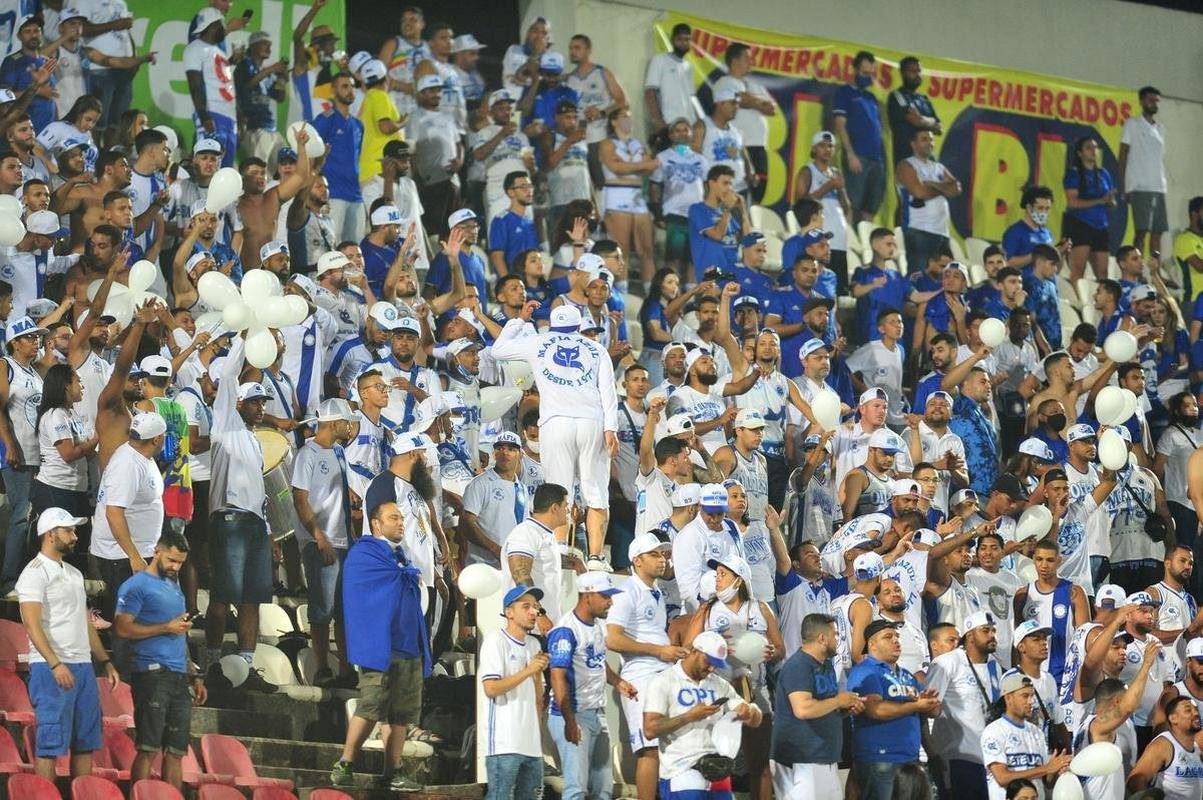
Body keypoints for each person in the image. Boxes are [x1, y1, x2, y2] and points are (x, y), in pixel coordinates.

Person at [491, 303, 618, 570]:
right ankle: (596, 557)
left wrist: (519, 320)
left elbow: (497, 350)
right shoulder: (596, 348)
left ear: (552, 325)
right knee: (595, 491)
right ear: (579, 326)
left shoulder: (538, 341)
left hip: (556, 423)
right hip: (592, 422)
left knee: (559, 489)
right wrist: (611, 429)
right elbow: (609, 392)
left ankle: (560, 550)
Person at [330, 501, 429, 793]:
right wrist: (404, 575)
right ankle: (345, 763)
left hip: (408, 643)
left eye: (401, 518)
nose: (400, 522)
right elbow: (365, 593)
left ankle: (393, 770)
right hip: (380, 645)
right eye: (393, 517)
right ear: (376, 524)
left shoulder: (402, 555)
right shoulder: (365, 552)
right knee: (371, 705)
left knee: (401, 713)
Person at [18, 507, 120, 781]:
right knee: (49, 745)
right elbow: (32, 624)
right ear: (50, 534)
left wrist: (105, 661)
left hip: (83, 665)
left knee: (86, 742)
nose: (75, 536)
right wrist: (55, 664)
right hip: (50, 668)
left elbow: (84, 622)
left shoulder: (74, 574)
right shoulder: (34, 573)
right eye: (69, 531)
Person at [204, 341, 275, 692]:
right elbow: (230, 374)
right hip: (229, 520)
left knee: (253, 599)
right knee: (222, 596)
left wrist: (269, 530)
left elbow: (259, 491)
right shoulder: (225, 424)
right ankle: (212, 662)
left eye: (263, 403)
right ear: (237, 404)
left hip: (255, 524)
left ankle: (246, 667)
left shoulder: (255, 441)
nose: (260, 408)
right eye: (255, 402)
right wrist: (246, 339)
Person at [115, 532, 206, 790]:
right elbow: (122, 628)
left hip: (178, 676)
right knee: (148, 747)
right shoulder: (136, 586)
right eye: (171, 560)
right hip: (151, 673)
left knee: (176, 751)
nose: (175, 567)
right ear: (157, 551)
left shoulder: (174, 587)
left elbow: (180, 633)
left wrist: (193, 674)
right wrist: (165, 627)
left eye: (180, 563)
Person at [643, 629, 763, 800]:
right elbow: (649, 729)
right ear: (694, 651)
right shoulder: (664, 681)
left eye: (716, 664)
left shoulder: (720, 684)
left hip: (718, 770)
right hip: (682, 771)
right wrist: (688, 716)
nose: (711, 668)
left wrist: (750, 712)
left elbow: (754, 718)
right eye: (708, 661)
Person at [607, 533, 683, 800]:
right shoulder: (626, 592)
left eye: (663, 554)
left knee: (667, 747)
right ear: (637, 560)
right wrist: (659, 650)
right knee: (649, 749)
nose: (662, 560)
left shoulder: (656, 592)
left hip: (662, 674)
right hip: (640, 676)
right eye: (654, 554)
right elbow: (612, 639)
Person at [548, 572, 636, 800]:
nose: (611, 602)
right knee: (576, 789)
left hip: (597, 713)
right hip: (573, 714)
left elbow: (597, 661)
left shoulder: (597, 625)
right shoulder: (566, 630)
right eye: (605, 596)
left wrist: (618, 682)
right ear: (587, 596)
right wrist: (570, 720)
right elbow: (557, 676)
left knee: (604, 788)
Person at [771, 613, 864, 798]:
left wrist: (845, 709)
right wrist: (838, 701)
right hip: (801, 759)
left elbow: (823, 706)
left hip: (824, 757)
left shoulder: (826, 665)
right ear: (822, 638)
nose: (838, 640)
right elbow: (803, 709)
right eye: (835, 635)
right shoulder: (798, 666)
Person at [847, 618, 941, 800]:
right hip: (879, 759)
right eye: (888, 637)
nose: (896, 640)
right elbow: (875, 710)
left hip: (911, 760)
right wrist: (915, 705)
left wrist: (930, 704)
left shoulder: (907, 676)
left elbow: (931, 713)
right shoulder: (865, 671)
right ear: (872, 644)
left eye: (897, 636)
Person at [89, 411, 165, 627]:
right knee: (130, 624)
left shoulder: (141, 456)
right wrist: (134, 557)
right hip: (121, 557)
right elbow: (113, 512)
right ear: (156, 439)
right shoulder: (128, 464)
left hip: (136, 552)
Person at [480, 585, 549, 800]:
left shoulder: (534, 644)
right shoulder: (496, 640)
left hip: (532, 746)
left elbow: (538, 698)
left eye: (535, 607)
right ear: (509, 612)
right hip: (505, 743)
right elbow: (491, 688)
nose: (533, 612)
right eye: (526, 607)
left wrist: (537, 672)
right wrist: (529, 670)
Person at [925, 611, 1002, 800]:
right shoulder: (946, 662)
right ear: (970, 636)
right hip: (958, 758)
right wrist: (932, 754)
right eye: (985, 630)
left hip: (991, 759)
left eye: (993, 630)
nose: (992, 635)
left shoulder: (995, 665)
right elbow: (925, 709)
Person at [980, 671, 1072, 800]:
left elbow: (1047, 783)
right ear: (1008, 698)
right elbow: (1002, 778)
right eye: (1025, 696)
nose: (1031, 701)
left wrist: (1056, 770)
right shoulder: (994, 731)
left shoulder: (1036, 732)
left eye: (1032, 696)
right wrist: (1047, 768)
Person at [896, 130, 961, 276]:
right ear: (913, 144)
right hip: (919, 230)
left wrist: (931, 184)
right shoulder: (906, 165)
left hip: (942, 232)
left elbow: (956, 189)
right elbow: (919, 193)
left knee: (943, 279)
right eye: (924, 139)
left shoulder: (939, 167)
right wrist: (944, 188)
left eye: (931, 140)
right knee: (919, 277)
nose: (930, 143)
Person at [832, 51, 885, 222]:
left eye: (871, 73)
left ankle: (866, 238)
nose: (867, 77)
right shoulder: (844, 92)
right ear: (854, 70)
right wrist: (850, 155)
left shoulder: (871, 97)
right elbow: (840, 125)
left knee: (871, 207)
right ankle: (847, 237)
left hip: (877, 159)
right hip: (858, 156)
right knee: (851, 204)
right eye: (864, 73)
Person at [183, 8, 237, 166]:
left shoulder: (219, 52)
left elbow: (223, 82)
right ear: (212, 25)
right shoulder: (194, 48)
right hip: (212, 113)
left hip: (229, 117)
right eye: (221, 24)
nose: (223, 28)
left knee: (225, 167)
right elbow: (195, 84)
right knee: (207, 165)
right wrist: (203, 115)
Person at [1118, 86, 1167, 258]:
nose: (1154, 104)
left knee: (1158, 231)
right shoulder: (1132, 124)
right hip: (1140, 186)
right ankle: (1135, 266)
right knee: (1141, 231)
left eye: (1157, 101)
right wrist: (1124, 186)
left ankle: (1155, 268)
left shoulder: (1161, 128)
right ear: (1141, 101)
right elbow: (1123, 154)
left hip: (1159, 186)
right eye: (1150, 100)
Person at [1126, 694, 1203, 799]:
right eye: (1188, 710)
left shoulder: (1196, 749)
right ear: (1173, 718)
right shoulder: (1164, 744)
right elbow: (1135, 780)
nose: (1196, 713)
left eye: (1196, 710)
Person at [1064, 136, 1118, 280]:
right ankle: (1077, 295)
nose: (1093, 151)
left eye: (1095, 148)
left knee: (1103, 272)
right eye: (1088, 148)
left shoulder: (1103, 173)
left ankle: (1102, 295)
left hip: (1101, 226)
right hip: (1080, 224)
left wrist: (1110, 201)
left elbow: (1111, 203)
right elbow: (1072, 202)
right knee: (1078, 269)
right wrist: (1100, 200)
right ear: (1080, 153)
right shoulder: (1074, 174)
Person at [234, 30, 287, 166]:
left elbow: (280, 97)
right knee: (258, 168)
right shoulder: (244, 65)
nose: (269, 48)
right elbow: (248, 84)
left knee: (285, 163)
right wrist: (271, 69)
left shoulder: (267, 74)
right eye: (265, 44)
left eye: (270, 45)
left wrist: (282, 79)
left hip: (270, 127)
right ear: (253, 46)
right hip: (253, 127)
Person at [688, 164, 746, 283]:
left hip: (732, 276)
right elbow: (717, 235)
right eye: (725, 183)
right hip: (711, 279)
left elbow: (748, 241)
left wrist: (743, 210)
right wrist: (727, 209)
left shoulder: (729, 214)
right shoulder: (697, 210)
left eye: (730, 184)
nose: (729, 188)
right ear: (711, 183)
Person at [643, 22, 697, 144]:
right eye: (680, 39)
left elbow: (692, 98)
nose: (683, 43)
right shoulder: (660, 60)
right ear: (672, 40)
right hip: (669, 125)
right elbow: (650, 93)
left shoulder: (689, 67)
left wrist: (698, 122)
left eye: (687, 39)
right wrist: (659, 123)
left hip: (689, 127)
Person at [886, 57, 941, 168]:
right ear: (903, 73)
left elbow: (939, 128)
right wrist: (930, 122)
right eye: (912, 71)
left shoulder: (924, 99)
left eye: (919, 71)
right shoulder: (897, 96)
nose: (917, 74)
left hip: (929, 158)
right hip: (908, 159)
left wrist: (922, 120)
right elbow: (915, 120)